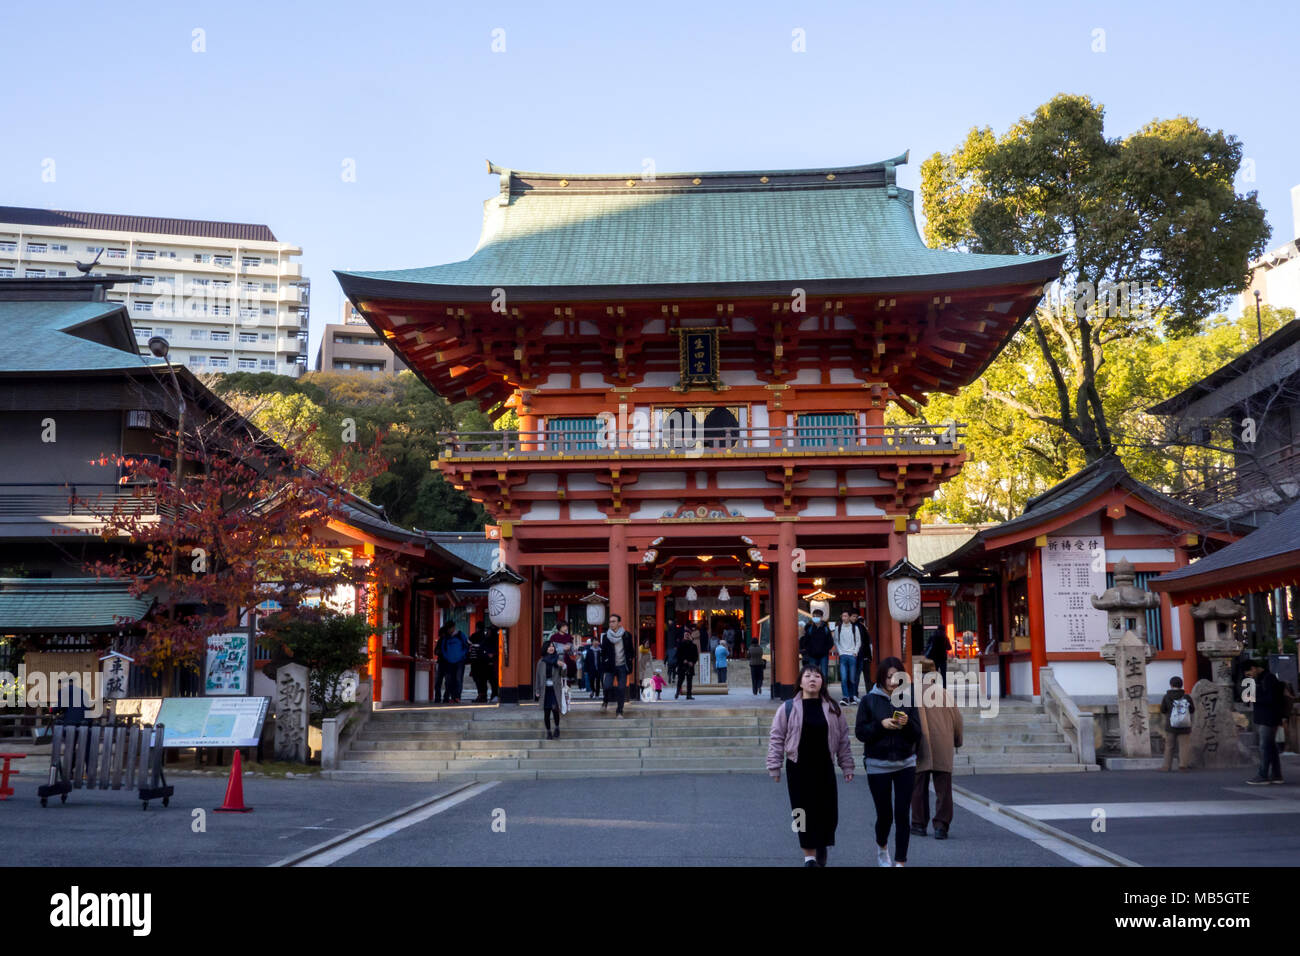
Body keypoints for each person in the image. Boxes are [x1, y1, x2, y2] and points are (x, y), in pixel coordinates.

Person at [768, 665, 856, 866]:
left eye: (817, 676)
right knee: (801, 811)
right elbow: (777, 737)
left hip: (824, 766)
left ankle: (821, 844)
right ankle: (809, 856)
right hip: (798, 767)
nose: (812, 679)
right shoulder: (788, 708)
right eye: (807, 676)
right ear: (800, 682)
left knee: (827, 811)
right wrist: (774, 765)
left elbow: (843, 739)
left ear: (822, 682)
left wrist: (847, 766)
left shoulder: (833, 708)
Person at [856, 656, 922, 866]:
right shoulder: (869, 700)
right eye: (889, 676)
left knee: (903, 814)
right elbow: (860, 733)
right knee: (885, 815)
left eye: (897, 677)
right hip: (877, 764)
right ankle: (882, 847)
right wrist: (880, 724)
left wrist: (907, 723)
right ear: (881, 677)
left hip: (905, 763)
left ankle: (901, 861)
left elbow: (917, 734)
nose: (893, 681)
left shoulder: (908, 700)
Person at [911, 659, 963, 840]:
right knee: (944, 789)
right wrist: (957, 741)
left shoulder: (912, 693)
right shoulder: (945, 694)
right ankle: (941, 826)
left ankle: (919, 824)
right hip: (943, 744)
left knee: (918, 788)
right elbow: (958, 721)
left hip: (920, 745)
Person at [1245, 659, 1287, 785]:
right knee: (1271, 747)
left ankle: (1263, 774)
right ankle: (1276, 775)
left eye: (1248, 673)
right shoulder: (1261, 679)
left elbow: (1271, 698)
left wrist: (1254, 698)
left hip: (1269, 717)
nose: (1249, 676)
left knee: (1264, 747)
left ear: (1253, 668)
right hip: (1265, 717)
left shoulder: (1269, 678)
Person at [601, 613, 636, 718]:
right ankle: (605, 700)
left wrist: (629, 658)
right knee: (607, 686)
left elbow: (631, 650)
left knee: (621, 688)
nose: (611, 624)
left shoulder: (626, 635)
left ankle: (619, 711)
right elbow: (603, 652)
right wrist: (605, 662)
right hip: (610, 666)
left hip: (622, 666)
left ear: (619, 623)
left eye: (613, 621)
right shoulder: (606, 637)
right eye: (610, 621)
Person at [1159, 675, 1194, 772]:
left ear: (1171, 685)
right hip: (1185, 725)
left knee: (1169, 746)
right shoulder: (1186, 697)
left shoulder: (1167, 697)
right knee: (1184, 746)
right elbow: (1192, 710)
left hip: (1171, 725)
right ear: (1181, 685)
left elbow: (1163, 710)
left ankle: (1166, 766)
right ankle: (1183, 765)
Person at [534, 641, 565, 740]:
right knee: (546, 712)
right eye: (549, 647)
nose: (551, 648)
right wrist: (537, 690)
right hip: (545, 690)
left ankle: (557, 727)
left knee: (555, 709)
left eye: (553, 647)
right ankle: (548, 732)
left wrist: (563, 666)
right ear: (545, 648)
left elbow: (564, 674)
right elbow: (538, 677)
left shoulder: (558, 659)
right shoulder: (541, 661)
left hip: (555, 689)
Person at [832, 610, 862, 706]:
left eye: (846, 616)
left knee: (852, 678)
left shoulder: (855, 628)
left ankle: (852, 696)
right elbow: (836, 641)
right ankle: (845, 697)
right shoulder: (838, 628)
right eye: (843, 616)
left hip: (852, 655)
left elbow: (858, 641)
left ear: (849, 617)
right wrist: (840, 652)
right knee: (844, 678)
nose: (844, 618)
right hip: (843, 655)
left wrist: (855, 652)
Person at [435, 622, 469, 704]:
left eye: (449, 628)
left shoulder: (461, 635)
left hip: (459, 661)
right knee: (451, 680)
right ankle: (452, 697)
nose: (448, 631)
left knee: (458, 679)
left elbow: (466, 646)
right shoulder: (446, 638)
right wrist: (447, 657)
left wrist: (462, 656)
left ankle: (457, 697)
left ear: (453, 627)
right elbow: (442, 649)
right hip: (449, 662)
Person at [801, 609, 834, 681]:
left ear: (821, 617)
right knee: (813, 674)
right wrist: (809, 650)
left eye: (817, 616)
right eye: (814, 616)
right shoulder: (809, 628)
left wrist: (825, 649)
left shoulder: (825, 628)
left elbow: (830, 641)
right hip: (812, 655)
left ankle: (823, 691)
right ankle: (815, 691)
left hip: (823, 655)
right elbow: (805, 641)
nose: (815, 618)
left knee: (824, 674)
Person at [468, 623, 492, 703]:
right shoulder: (486, 637)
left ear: (477, 628)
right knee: (483, 680)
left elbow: (468, 644)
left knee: (478, 680)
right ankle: (484, 696)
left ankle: (480, 695)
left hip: (475, 662)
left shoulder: (474, 636)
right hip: (484, 662)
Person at [850, 610, 873, 685]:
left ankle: (869, 694)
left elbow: (866, 642)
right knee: (854, 677)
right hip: (852, 654)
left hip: (862, 654)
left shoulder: (861, 627)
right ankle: (854, 694)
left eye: (856, 617)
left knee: (867, 677)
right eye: (853, 616)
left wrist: (868, 656)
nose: (855, 618)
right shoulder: (845, 627)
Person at [676, 630, 699, 699]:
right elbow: (678, 655)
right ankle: (677, 692)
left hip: (690, 665)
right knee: (680, 679)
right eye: (685, 634)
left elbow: (696, 656)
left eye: (688, 634)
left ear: (690, 635)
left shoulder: (693, 645)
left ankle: (689, 695)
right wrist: (683, 660)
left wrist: (693, 662)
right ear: (683, 636)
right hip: (682, 664)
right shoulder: (680, 644)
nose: (687, 636)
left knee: (689, 680)